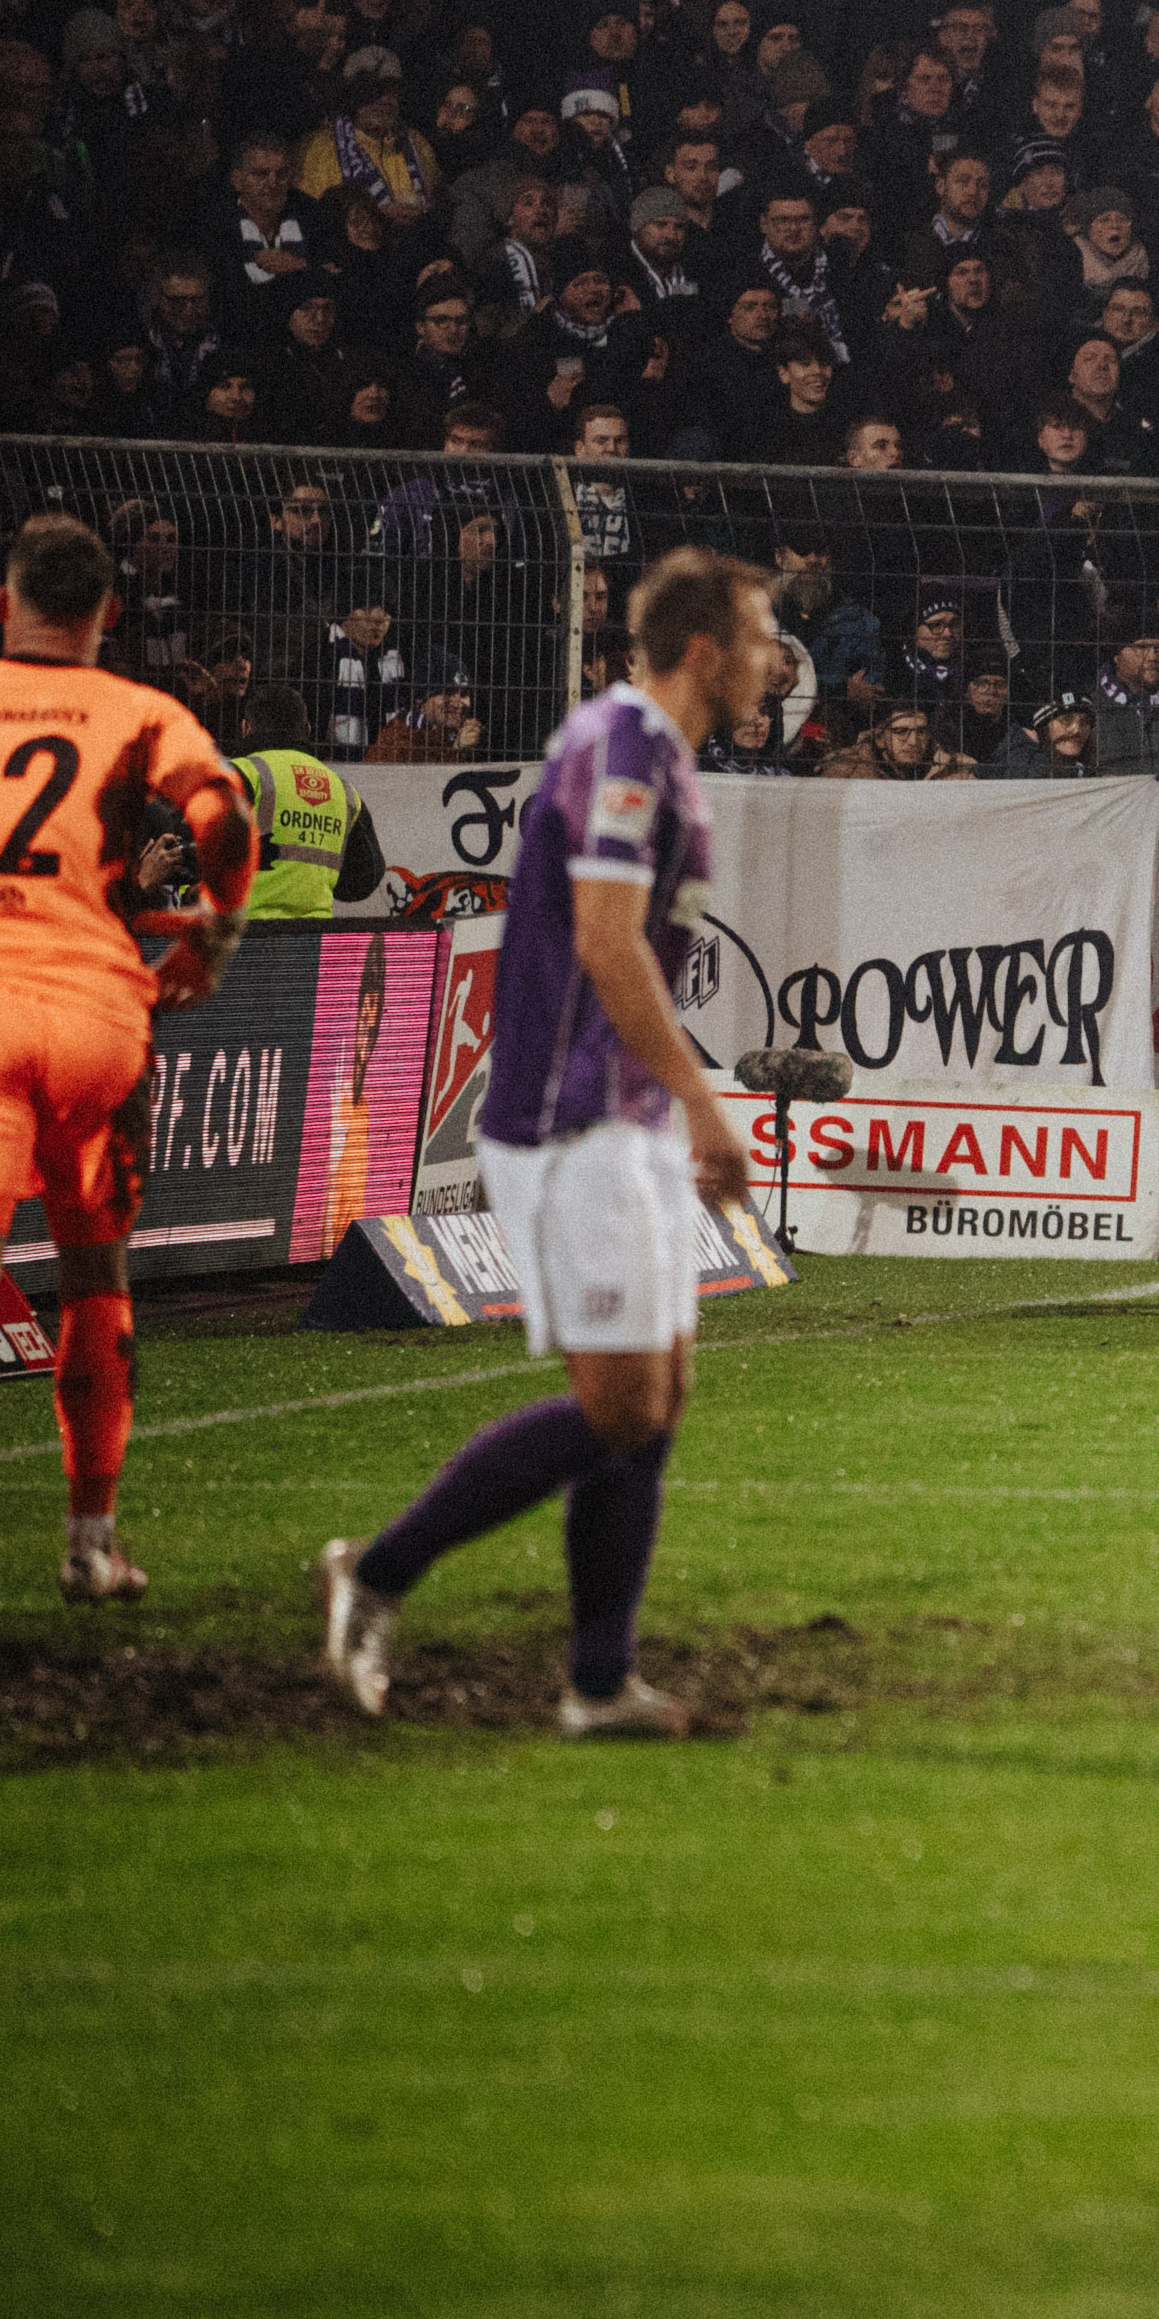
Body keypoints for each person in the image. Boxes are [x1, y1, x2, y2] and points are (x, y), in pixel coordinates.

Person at [317, 548, 779, 1731]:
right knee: (621, 1405)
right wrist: (701, 1097)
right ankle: (378, 1573)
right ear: (703, 649)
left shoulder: (658, 755)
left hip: (620, 1117)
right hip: (572, 1120)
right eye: (764, 635)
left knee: (656, 1397)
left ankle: (599, 1684)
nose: (779, 659)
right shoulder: (621, 747)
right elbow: (606, 942)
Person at [0, 519, 256, 1603]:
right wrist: (212, 930)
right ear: (108, 614)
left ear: (7, 600)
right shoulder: (142, 711)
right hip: (101, 1020)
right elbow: (223, 811)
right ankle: (92, 1541)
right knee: (94, 1276)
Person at [229, 740, 386, 920]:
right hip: (311, 936)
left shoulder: (240, 772)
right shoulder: (342, 789)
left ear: (245, 727)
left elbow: (197, 845)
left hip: (243, 933)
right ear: (308, 728)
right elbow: (366, 877)